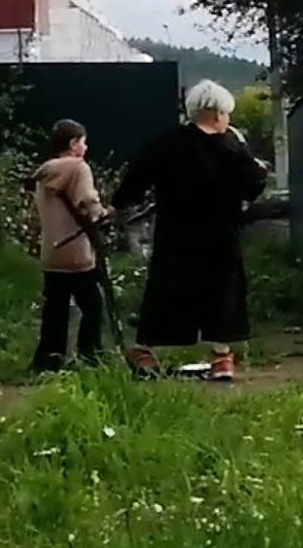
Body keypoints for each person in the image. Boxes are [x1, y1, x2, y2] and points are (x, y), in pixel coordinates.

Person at [112, 80, 268, 381]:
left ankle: (144, 352)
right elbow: (253, 185)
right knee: (222, 293)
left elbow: (137, 177)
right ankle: (221, 358)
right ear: (218, 113)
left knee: (166, 289)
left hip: (176, 233)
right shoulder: (232, 148)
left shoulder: (167, 142)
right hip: (222, 234)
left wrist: (117, 206)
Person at [28, 119, 110, 373]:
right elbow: (87, 201)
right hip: (77, 253)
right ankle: (90, 355)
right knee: (93, 307)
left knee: (55, 310)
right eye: (83, 142)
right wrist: (102, 214)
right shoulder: (78, 168)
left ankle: (49, 361)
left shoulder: (44, 173)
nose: (85, 148)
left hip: (52, 253)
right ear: (73, 143)